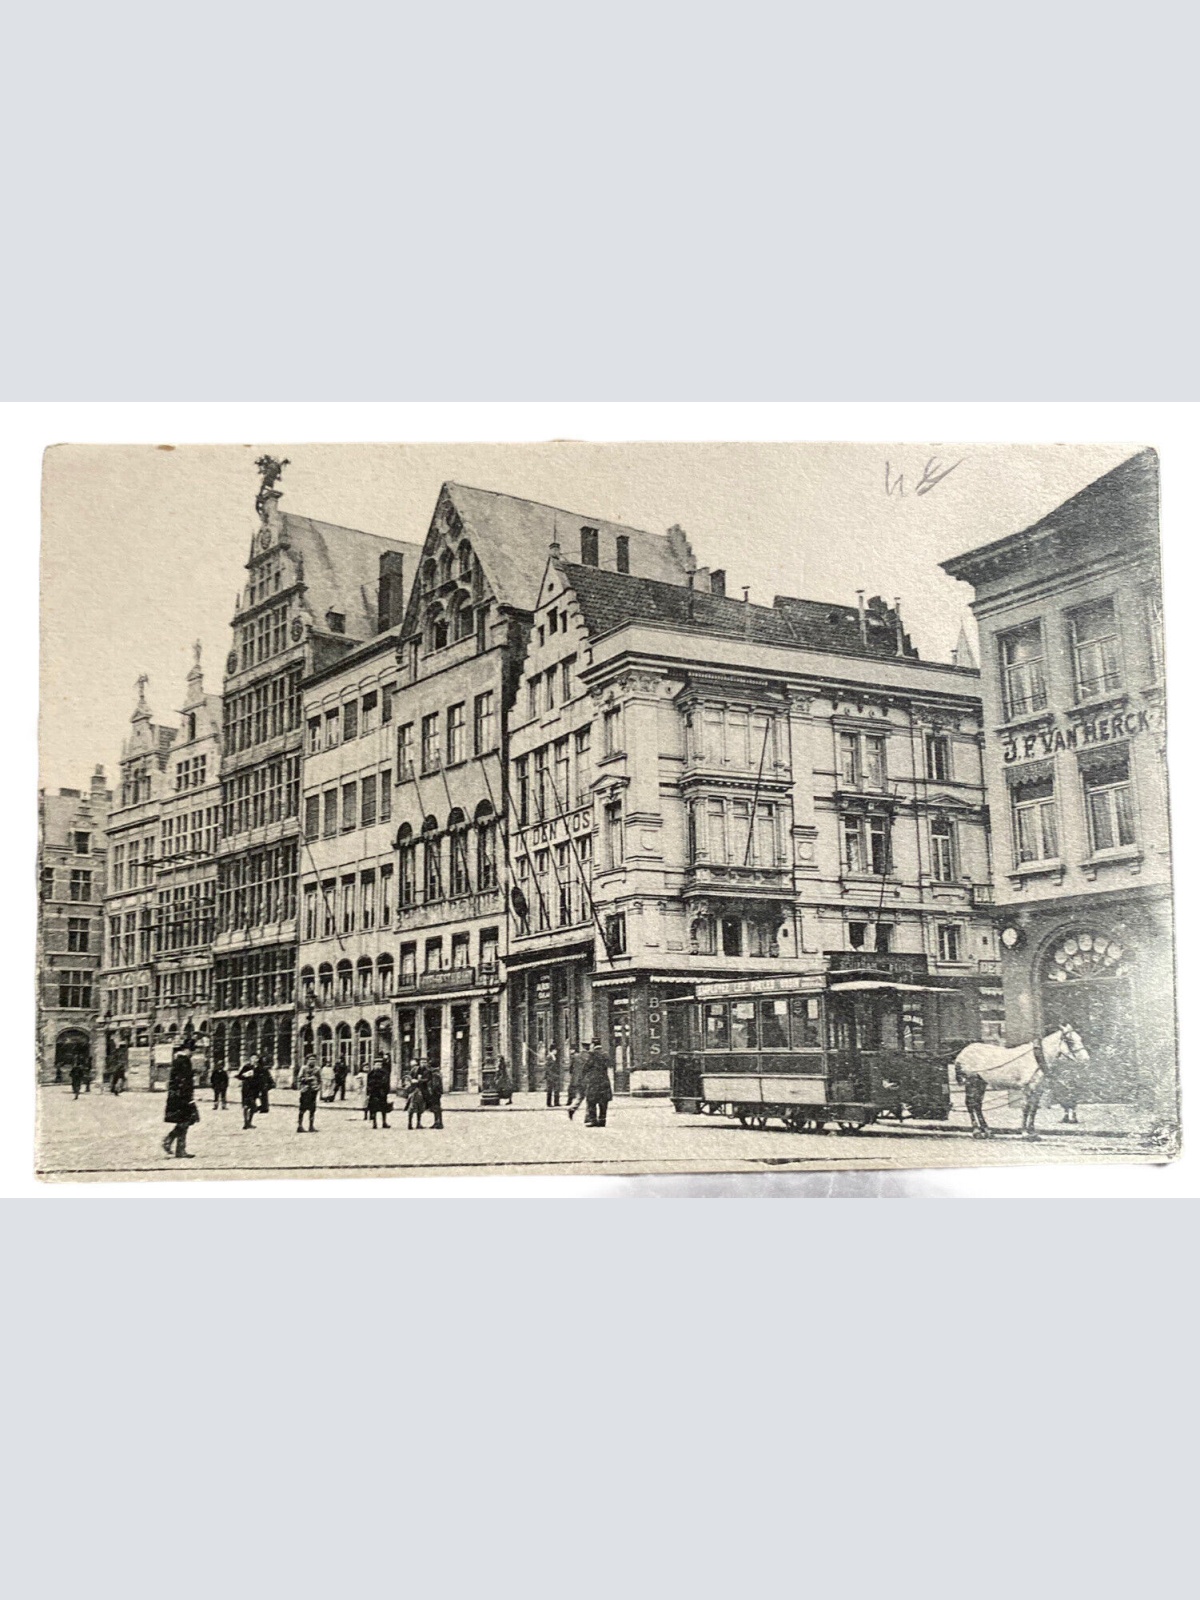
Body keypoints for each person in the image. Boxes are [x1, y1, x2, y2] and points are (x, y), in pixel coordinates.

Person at [162, 1050, 198, 1159]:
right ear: (187, 1050)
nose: (193, 1053)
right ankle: (177, 1147)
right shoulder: (184, 1062)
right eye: (192, 1051)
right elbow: (184, 1082)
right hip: (182, 1097)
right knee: (185, 1121)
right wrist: (189, 1098)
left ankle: (170, 1142)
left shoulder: (178, 1061)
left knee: (184, 1121)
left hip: (176, 1097)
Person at [581, 1038, 613, 1128]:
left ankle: (593, 1120)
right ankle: (602, 1120)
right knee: (603, 1102)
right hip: (604, 1080)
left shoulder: (592, 1055)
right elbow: (609, 1064)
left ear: (593, 1045)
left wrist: (585, 1077)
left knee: (591, 1101)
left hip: (594, 1081)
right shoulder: (605, 1054)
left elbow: (586, 1067)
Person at [296, 1053, 321, 1133]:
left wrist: (318, 1087)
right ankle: (300, 1126)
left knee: (312, 1109)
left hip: (313, 1091)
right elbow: (299, 1079)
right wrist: (308, 1079)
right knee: (302, 1109)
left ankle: (311, 1126)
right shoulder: (304, 1068)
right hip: (305, 1091)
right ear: (307, 1060)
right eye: (310, 1059)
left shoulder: (317, 1069)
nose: (312, 1061)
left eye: (314, 1060)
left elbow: (320, 1079)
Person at [566, 1040, 590, 1119]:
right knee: (590, 1098)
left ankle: (572, 1108)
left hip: (578, 1080)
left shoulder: (576, 1056)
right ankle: (588, 1116)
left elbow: (571, 1069)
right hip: (587, 1080)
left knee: (580, 1097)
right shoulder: (590, 1056)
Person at [366, 1058, 391, 1129]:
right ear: (374, 1065)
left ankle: (384, 1122)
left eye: (380, 1065)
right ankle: (374, 1123)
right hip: (373, 1093)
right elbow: (368, 1083)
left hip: (382, 1093)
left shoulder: (384, 1073)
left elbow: (385, 1082)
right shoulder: (371, 1073)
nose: (378, 1066)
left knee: (384, 1108)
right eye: (377, 1065)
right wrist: (368, 1092)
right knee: (373, 1109)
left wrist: (386, 1091)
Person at [238, 1058, 260, 1129]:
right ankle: (246, 1123)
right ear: (250, 1060)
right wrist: (246, 1075)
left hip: (254, 1089)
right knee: (246, 1106)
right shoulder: (246, 1067)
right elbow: (239, 1076)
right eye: (253, 1059)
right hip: (246, 1089)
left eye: (256, 1059)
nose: (255, 1060)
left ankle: (249, 1122)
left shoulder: (258, 1068)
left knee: (253, 1107)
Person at [426, 1062, 444, 1129]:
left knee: (436, 1108)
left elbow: (435, 1085)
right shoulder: (438, 1073)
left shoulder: (434, 1074)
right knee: (437, 1108)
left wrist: (431, 1092)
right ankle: (438, 1122)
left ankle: (438, 1123)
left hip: (435, 1093)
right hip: (438, 1093)